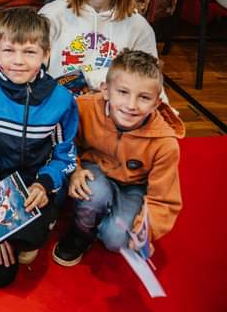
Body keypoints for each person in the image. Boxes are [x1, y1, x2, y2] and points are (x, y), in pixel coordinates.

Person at [0, 7, 78, 287]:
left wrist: (44, 184)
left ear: (46, 54)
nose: (18, 61)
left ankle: (39, 227)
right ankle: (16, 236)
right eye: (9, 50)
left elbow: (65, 155)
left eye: (29, 52)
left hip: (35, 186)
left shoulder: (63, 100)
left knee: (30, 238)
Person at [52, 49, 183, 266]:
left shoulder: (165, 144)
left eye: (144, 97)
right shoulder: (83, 107)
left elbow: (164, 199)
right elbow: (65, 142)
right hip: (93, 169)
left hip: (133, 186)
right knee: (93, 195)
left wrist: (145, 230)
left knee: (117, 241)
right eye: (122, 92)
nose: (131, 105)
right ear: (105, 90)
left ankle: (103, 220)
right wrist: (75, 170)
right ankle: (81, 232)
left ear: (156, 103)